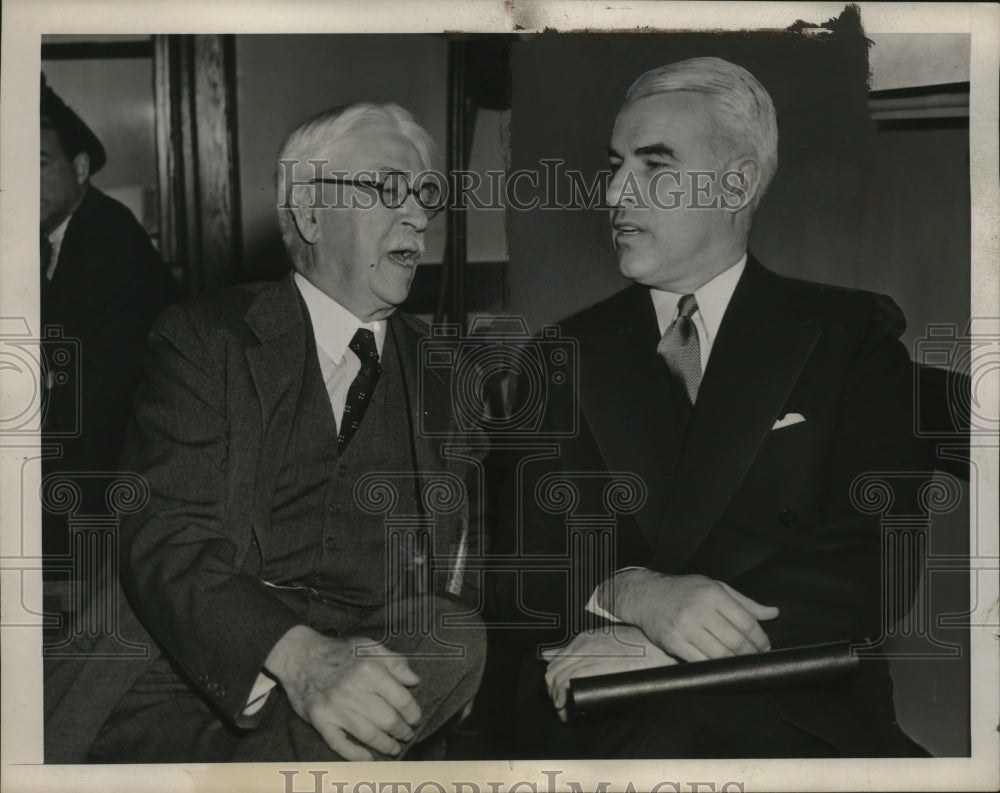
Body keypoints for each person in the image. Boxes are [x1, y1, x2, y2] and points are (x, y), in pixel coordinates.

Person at [487, 57, 933, 758]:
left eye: (654, 165)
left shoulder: (850, 339)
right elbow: (516, 567)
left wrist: (680, 643)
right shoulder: (558, 355)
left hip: (787, 698)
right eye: (615, 165)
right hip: (600, 703)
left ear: (737, 184)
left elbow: (875, 565)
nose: (615, 192)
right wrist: (634, 595)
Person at [45, 102, 486, 763]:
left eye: (424, 194)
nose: (419, 217)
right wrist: (302, 660)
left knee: (452, 634)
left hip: (366, 669)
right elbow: (167, 536)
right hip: (192, 677)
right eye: (387, 188)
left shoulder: (447, 374)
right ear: (309, 212)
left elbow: (468, 560)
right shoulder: (205, 338)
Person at [39, 74, 176, 568]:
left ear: (79, 168)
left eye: (38, 164)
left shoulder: (109, 244)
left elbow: (92, 408)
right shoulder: (58, 235)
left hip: (113, 492)